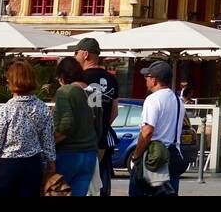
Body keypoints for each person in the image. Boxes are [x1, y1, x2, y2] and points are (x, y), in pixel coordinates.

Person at [0, 60, 56, 197]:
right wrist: (51, 167)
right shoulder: (43, 108)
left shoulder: (5, 110)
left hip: (6, 167)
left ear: (11, 81)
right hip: (32, 166)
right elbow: (48, 143)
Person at [128, 61, 187, 196]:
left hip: (154, 160)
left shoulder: (153, 99)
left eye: (146, 77)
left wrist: (135, 157)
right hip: (173, 156)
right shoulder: (178, 101)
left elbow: (147, 131)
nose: (145, 80)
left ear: (154, 80)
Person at [75, 36, 118, 198]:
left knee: (84, 184)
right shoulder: (112, 78)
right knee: (100, 181)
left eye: (76, 53)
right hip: (104, 139)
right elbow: (115, 111)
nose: (75, 57)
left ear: (85, 54)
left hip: (83, 142)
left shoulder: (80, 80)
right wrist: (103, 127)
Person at [53, 56, 98, 196]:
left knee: (58, 192)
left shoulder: (65, 91)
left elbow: (66, 124)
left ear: (62, 76)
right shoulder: (94, 92)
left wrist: (49, 143)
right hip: (89, 154)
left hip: (67, 154)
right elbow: (100, 124)